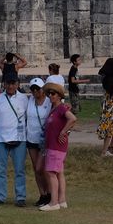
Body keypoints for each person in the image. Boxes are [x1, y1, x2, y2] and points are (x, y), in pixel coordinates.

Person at [0, 76, 28, 206]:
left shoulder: (24, 98)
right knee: (0, 170)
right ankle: (0, 196)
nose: (11, 86)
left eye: (13, 83)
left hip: (19, 138)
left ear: (17, 84)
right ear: (4, 84)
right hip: (1, 139)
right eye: (8, 83)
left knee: (20, 170)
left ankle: (20, 197)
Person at [40, 83, 76, 211]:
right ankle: (61, 200)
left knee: (51, 172)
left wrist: (63, 131)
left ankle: (53, 202)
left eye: (53, 94)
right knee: (59, 172)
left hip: (56, 146)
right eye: (49, 93)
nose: (50, 96)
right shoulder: (54, 109)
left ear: (59, 96)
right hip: (53, 145)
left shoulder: (61, 108)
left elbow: (72, 118)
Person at [25, 78, 53, 207]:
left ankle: (50, 193)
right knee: (36, 169)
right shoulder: (29, 101)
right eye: (33, 89)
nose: (36, 92)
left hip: (44, 139)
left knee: (43, 168)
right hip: (31, 138)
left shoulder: (49, 101)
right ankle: (42, 194)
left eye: (38, 89)